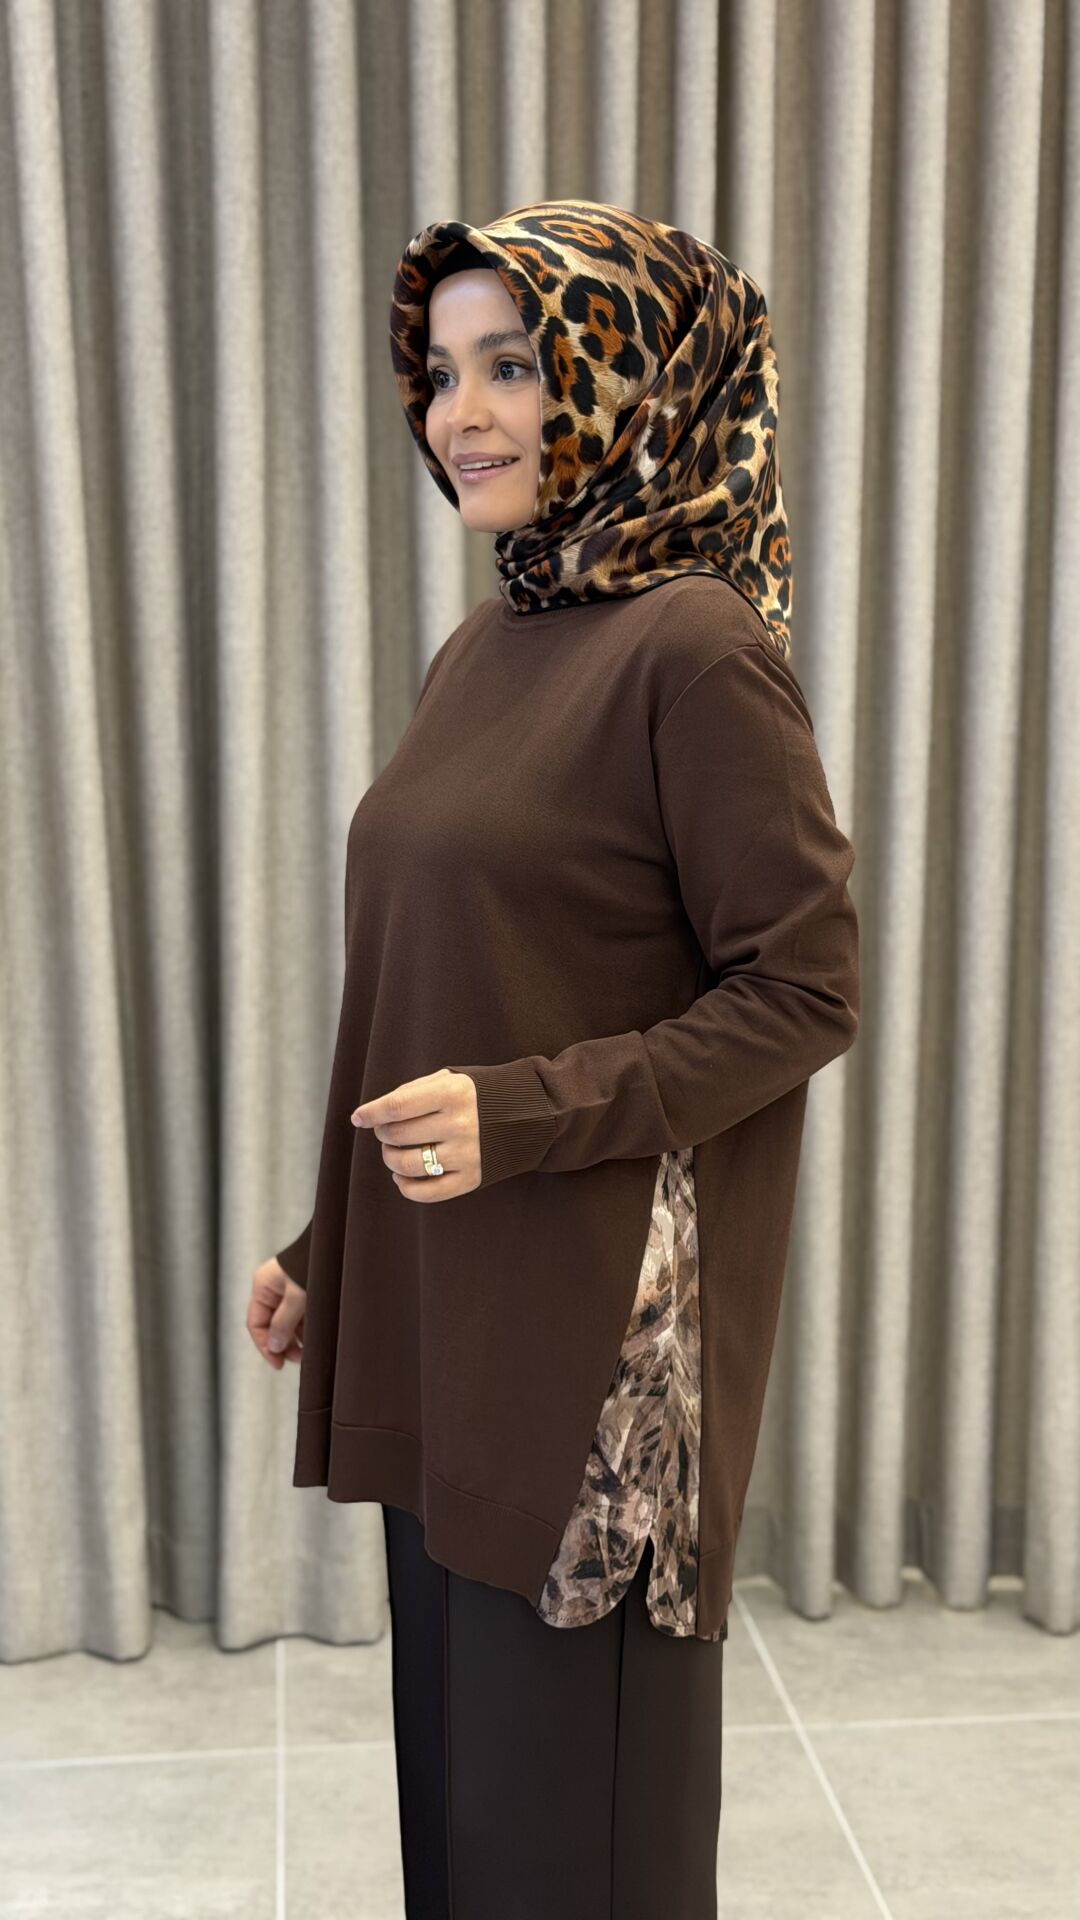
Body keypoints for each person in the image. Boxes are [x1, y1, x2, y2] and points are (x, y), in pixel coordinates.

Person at [247, 199, 860, 1917]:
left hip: (603, 1355)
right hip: (456, 1302)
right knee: (471, 1828)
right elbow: (462, 982)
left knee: (575, 1849)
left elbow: (803, 989)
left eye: (513, 365)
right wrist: (333, 1243)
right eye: (442, 373)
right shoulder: (489, 643)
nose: (462, 415)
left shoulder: (697, 651)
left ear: (634, 381)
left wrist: (519, 1118)